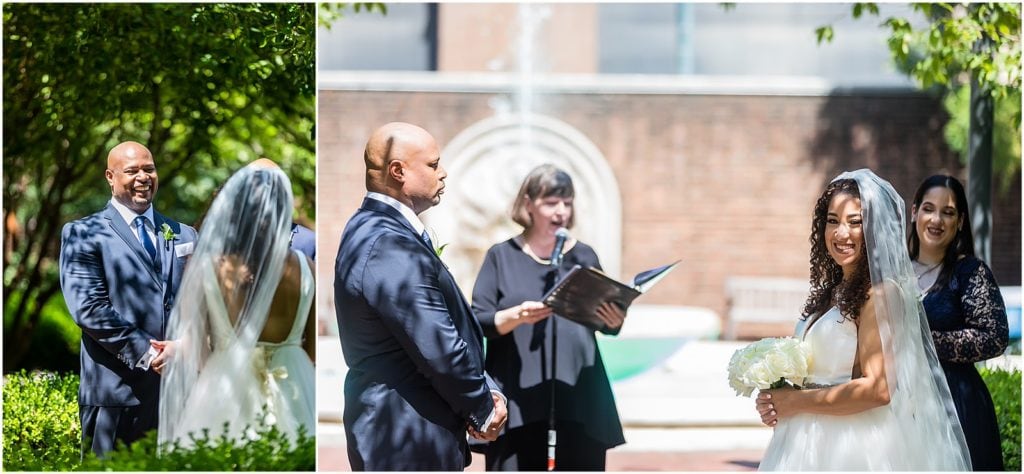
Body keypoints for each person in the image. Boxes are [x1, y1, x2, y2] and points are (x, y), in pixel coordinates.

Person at [755, 169, 971, 471]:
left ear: (873, 229)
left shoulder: (879, 295)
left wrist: (795, 402)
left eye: (855, 222)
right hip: (804, 439)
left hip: (849, 445)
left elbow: (878, 389)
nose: (841, 233)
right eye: (833, 221)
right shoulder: (831, 293)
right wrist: (777, 398)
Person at [334, 122, 508, 470]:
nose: (443, 174)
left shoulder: (380, 231)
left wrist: (489, 388)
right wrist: (483, 407)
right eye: (432, 164)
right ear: (398, 171)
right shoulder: (387, 243)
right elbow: (437, 344)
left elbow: (445, 324)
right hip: (404, 437)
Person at [470, 164, 626, 470]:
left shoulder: (584, 256)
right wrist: (516, 316)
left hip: (578, 393)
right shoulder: (501, 256)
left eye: (567, 203)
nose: (561, 212)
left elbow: (607, 323)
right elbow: (480, 321)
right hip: (517, 394)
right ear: (528, 204)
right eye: (551, 203)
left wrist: (613, 320)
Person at [157, 159, 315, 449]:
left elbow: (199, 353)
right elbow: (312, 350)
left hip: (225, 388)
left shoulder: (210, 269)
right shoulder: (306, 268)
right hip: (295, 383)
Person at [59, 141, 198, 457]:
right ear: (110, 176)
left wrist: (188, 344)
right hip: (116, 397)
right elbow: (89, 309)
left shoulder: (184, 234)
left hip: (179, 395)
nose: (143, 177)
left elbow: (203, 301)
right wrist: (149, 353)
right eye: (132, 170)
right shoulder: (84, 233)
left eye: (149, 169)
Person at [908, 174, 1008, 471]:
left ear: (960, 221)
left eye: (948, 212)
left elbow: (994, 337)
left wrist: (922, 339)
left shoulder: (970, 272)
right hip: (902, 405)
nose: (936, 219)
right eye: (928, 208)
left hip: (958, 406)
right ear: (914, 212)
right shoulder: (892, 269)